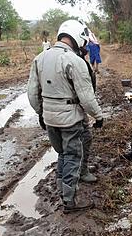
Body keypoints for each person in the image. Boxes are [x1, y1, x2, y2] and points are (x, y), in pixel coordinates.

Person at [28, 19, 104, 213]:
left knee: (64, 153)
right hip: (70, 119)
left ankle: (68, 185)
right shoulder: (74, 61)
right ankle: (69, 201)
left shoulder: (40, 58)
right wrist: (98, 115)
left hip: (50, 118)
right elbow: (86, 97)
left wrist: (41, 113)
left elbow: (32, 93)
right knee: (72, 156)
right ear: (77, 37)